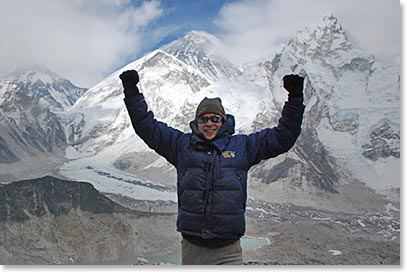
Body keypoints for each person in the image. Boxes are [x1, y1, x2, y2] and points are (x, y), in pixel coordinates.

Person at [120, 69, 305, 265]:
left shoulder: (243, 146)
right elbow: (147, 128)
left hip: (228, 250)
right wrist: (132, 92)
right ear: (197, 122)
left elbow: (283, 137)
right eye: (204, 119)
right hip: (193, 248)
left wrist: (294, 99)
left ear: (224, 121)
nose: (209, 123)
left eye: (215, 118)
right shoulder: (181, 146)